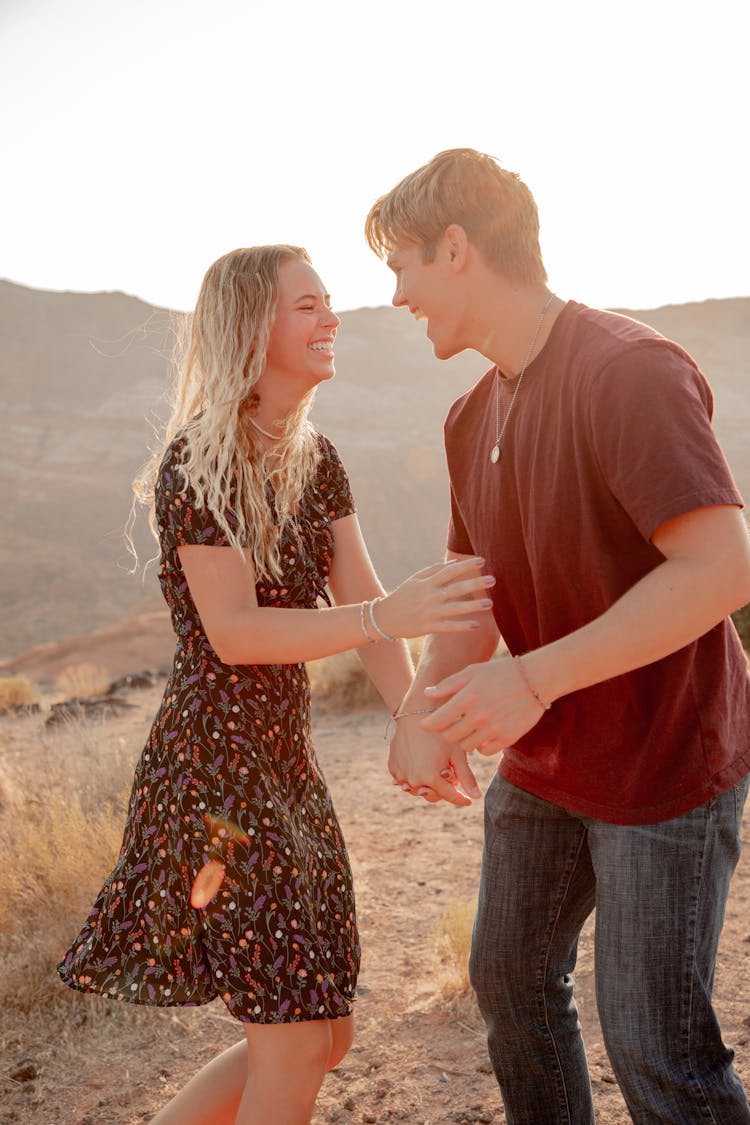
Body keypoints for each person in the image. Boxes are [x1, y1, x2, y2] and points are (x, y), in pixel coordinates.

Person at [57, 244, 493, 1125]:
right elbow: (239, 632)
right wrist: (388, 618)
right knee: (293, 1042)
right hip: (215, 772)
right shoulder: (196, 463)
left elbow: (366, 598)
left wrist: (416, 719)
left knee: (322, 1033)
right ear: (253, 325)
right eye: (308, 305)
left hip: (283, 768)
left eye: (329, 301)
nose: (332, 317)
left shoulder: (317, 457)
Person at [365, 149, 750, 1123]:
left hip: (664, 761)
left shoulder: (629, 373)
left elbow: (722, 570)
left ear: (456, 248)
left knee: (655, 1047)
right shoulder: (467, 417)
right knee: (512, 985)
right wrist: (426, 714)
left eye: (402, 262)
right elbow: (473, 595)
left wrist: (533, 679)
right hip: (546, 764)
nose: (397, 293)